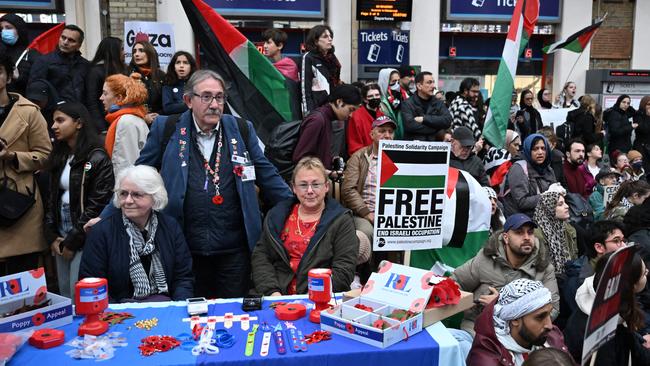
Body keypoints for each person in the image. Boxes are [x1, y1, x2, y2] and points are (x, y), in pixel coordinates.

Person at [105, 69, 292, 299]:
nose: (214, 104)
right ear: (188, 100)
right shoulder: (167, 128)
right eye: (206, 96)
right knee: (191, 316)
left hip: (234, 251)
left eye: (219, 97)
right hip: (184, 248)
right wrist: (105, 216)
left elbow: (268, 176)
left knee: (231, 316)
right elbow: (134, 176)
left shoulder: (242, 129)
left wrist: (299, 207)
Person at [80, 165, 193, 303]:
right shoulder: (102, 231)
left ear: (155, 197)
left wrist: (179, 308)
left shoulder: (170, 227)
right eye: (123, 193)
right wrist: (118, 315)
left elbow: (183, 278)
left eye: (137, 194)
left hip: (165, 307)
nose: (128, 201)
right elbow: (92, 283)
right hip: (119, 312)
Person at [251, 157, 358, 295]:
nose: (309, 191)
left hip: (320, 298)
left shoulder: (341, 219)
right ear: (293, 188)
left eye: (316, 184)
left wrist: (313, 296)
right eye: (303, 185)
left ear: (326, 187)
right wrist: (272, 292)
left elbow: (344, 269)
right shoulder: (276, 215)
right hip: (277, 295)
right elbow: (261, 256)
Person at [43, 102, 114, 298]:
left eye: (60, 120)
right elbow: (51, 198)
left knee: (80, 294)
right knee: (64, 292)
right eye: (53, 121)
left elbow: (98, 203)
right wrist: (51, 235)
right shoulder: (60, 156)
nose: (54, 126)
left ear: (79, 123)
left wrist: (73, 241)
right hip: (61, 232)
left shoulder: (96, 158)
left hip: (84, 232)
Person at [451, 213, 559, 336]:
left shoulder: (544, 267)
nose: (526, 237)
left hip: (521, 335)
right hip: (479, 329)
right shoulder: (485, 259)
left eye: (530, 232)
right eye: (519, 232)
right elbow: (455, 282)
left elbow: (553, 309)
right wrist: (467, 303)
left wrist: (500, 306)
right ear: (506, 238)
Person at [0, 54, 52, 276]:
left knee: (24, 281)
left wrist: (12, 156)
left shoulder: (29, 111)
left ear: (9, 75)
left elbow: (45, 155)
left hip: (18, 201)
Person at [564, 251, 650, 365]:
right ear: (631, 285)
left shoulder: (597, 299)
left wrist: (641, 342)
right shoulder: (602, 337)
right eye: (643, 273)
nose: (647, 272)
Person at [467, 279, 570, 366]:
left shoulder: (552, 336)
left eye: (549, 314)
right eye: (540, 317)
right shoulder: (486, 357)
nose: (550, 325)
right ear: (515, 319)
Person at [342, 116, 396, 262]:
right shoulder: (359, 157)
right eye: (382, 131)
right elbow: (348, 189)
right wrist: (367, 213)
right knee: (367, 232)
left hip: (394, 217)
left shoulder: (401, 157)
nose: (387, 135)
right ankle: (365, 276)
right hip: (364, 213)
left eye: (390, 132)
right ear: (371, 134)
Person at [293, 84, 362, 174]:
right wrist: (328, 173)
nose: (351, 115)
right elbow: (300, 159)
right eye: (351, 109)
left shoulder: (326, 118)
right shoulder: (317, 120)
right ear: (339, 102)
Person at [563, 220, 628, 312]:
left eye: (623, 240)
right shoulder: (577, 282)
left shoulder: (619, 265)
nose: (624, 246)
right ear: (599, 247)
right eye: (616, 241)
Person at [100, 73, 149, 177]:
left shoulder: (126, 122)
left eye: (105, 93)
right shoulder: (132, 118)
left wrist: (121, 192)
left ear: (119, 98)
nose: (101, 98)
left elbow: (125, 164)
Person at [28, 24, 89, 104]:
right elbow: (34, 91)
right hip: (51, 113)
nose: (65, 42)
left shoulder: (85, 65)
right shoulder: (43, 61)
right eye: (63, 38)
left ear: (79, 45)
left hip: (80, 112)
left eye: (71, 40)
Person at [502, 134, 557, 217]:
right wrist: (547, 197)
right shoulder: (518, 168)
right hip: (524, 221)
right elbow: (521, 202)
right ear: (528, 150)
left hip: (546, 217)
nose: (540, 152)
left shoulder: (548, 169)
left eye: (543, 148)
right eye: (535, 149)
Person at [533, 186, 578, 275]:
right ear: (549, 209)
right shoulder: (537, 234)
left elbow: (574, 257)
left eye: (565, 203)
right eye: (560, 204)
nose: (567, 206)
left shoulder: (569, 229)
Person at [85, 37, 126, 134]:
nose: (124, 52)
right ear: (114, 51)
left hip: (121, 121)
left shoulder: (124, 70)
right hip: (104, 125)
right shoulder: (95, 72)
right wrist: (102, 128)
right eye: (122, 49)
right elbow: (92, 102)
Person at [300, 25, 341, 116]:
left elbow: (336, 82)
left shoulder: (332, 58)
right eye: (325, 37)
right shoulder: (308, 57)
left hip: (333, 108)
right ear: (315, 41)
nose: (330, 39)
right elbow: (304, 89)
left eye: (330, 36)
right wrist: (308, 114)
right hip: (317, 110)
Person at [401, 71, 452, 141]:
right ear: (419, 86)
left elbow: (447, 120)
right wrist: (437, 129)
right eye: (429, 82)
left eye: (433, 82)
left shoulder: (438, 103)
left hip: (434, 148)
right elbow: (410, 126)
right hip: (414, 148)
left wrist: (424, 119)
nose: (433, 86)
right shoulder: (408, 104)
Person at [127, 39, 165, 122]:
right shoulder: (127, 74)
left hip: (157, 122)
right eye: (134, 51)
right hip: (134, 121)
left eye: (141, 51)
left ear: (150, 53)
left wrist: (159, 115)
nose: (136, 54)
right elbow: (124, 103)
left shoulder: (161, 76)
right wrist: (143, 117)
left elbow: (166, 103)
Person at [0, 14, 34, 95]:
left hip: (21, 102)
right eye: (1, 29)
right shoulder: (1, 52)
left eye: (8, 28)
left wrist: (19, 78)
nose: (4, 31)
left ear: (20, 30)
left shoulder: (32, 54)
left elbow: (36, 87)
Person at [346, 84, 383, 156]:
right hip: (362, 158)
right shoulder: (356, 116)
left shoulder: (382, 115)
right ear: (365, 99)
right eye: (370, 96)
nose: (374, 98)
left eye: (377, 95)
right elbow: (354, 144)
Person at [162, 51, 197, 115]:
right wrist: (191, 105)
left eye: (185, 63)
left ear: (191, 67)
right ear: (174, 67)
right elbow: (167, 108)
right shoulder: (168, 85)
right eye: (178, 63)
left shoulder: (197, 84)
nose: (181, 66)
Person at [377, 68, 404, 139]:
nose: (397, 84)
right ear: (385, 82)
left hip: (400, 142)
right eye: (394, 81)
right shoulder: (378, 101)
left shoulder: (402, 97)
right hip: (385, 140)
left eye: (398, 81)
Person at [606, 94, 635, 159]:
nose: (626, 105)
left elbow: (633, 112)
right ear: (619, 102)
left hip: (624, 146)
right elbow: (615, 131)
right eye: (623, 102)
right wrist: (630, 127)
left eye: (628, 103)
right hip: (617, 148)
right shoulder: (615, 113)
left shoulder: (623, 113)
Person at [633, 96, 650, 171]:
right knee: (644, 169)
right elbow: (644, 129)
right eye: (648, 104)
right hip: (642, 147)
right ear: (644, 104)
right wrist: (648, 116)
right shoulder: (638, 114)